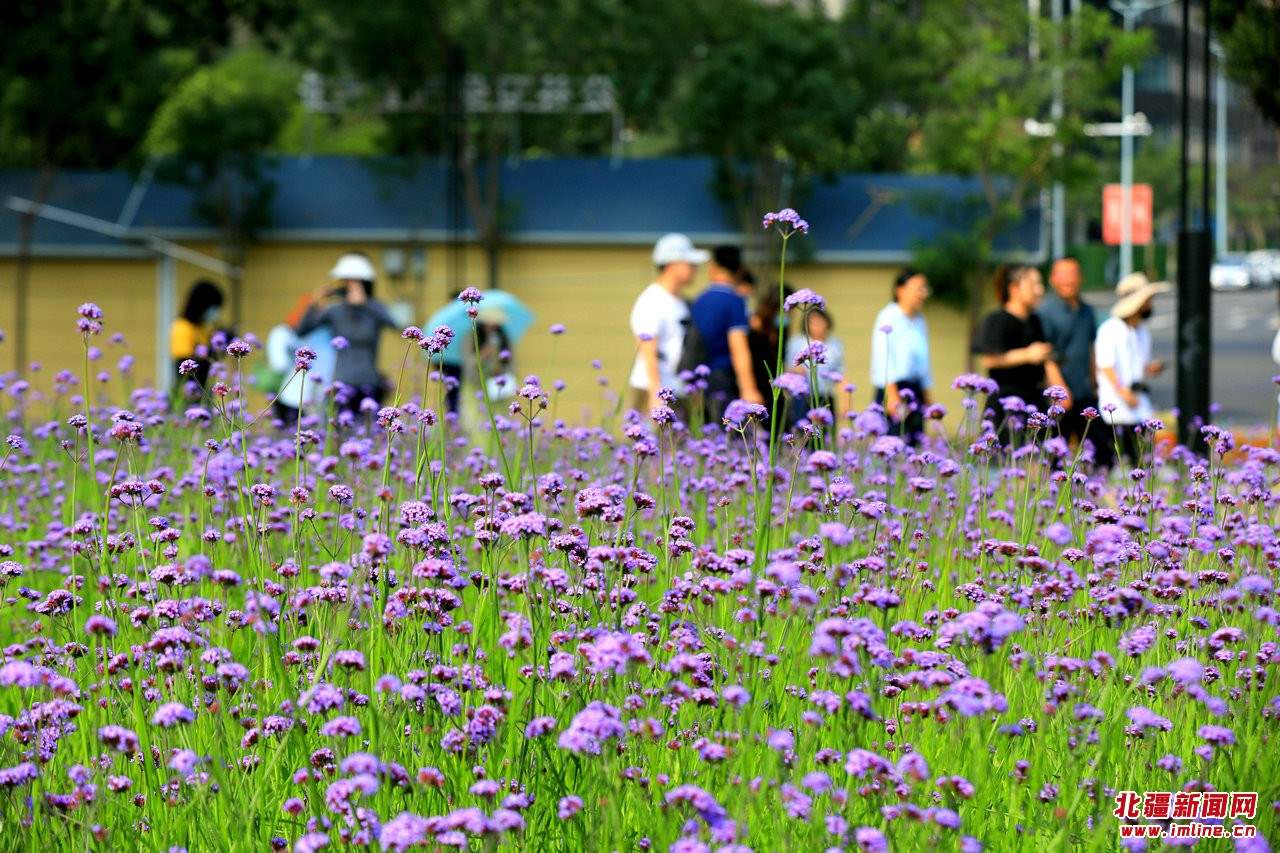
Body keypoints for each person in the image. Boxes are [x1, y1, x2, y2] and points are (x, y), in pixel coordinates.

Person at [974, 264, 1072, 440]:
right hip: (1005, 405)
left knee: (1038, 453)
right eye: (1034, 284)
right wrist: (1027, 355)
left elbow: (1045, 357)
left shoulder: (1035, 320)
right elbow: (989, 359)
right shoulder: (996, 320)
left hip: (1034, 401)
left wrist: (1060, 389)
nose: (1040, 290)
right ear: (1014, 288)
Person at [295, 252, 398, 413]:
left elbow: (396, 324)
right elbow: (301, 331)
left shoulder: (375, 308)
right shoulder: (335, 310)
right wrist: (314, 302)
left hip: (369, 383)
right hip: (341, 382)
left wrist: (365, 304)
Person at [1095, 272, 1168, 467]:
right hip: (1116, 408)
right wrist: (1123, 391)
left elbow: (1137, 365)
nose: (1150, 304)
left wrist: (1150, 369)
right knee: (1116, 461)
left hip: (1140, 406)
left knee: (1142, 462)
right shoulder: (1110, 329)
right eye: (1147, 300)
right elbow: (1105, 365)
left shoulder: (1141, 331)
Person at [628, 233, 707, 413]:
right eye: (690, 264)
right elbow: (647, 347)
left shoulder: (681, 302)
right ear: (672, 265)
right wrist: (655, 392)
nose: (695, 269)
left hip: (677, 388)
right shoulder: (652, 300)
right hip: (652, 389)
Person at [687, 246, 764, 420]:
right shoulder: (734, 301)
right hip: (723, 378)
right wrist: (749, 388)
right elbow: (738, 346)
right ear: (740, 270)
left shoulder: (700, 299)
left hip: (697, 378)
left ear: (713, 267)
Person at [1038, 257, 1099, 449]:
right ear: (1052, 279)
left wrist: (1095, 384)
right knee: (1055, 453)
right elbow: (1045, 354)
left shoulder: (1087, 310)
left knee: (1091, 451)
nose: (1068, 280)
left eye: (1072, 274)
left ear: (1080, 278)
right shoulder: (1045, 311)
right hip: (1058, 396)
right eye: (1062, 275)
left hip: (1084, 392)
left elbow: (1090, 347)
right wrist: (1059, 391)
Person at [870, 268, 933, 444]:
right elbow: (883, 356)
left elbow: (924, 362)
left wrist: (927, 397)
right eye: (919, 288)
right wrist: (892, 395)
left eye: (925, 288)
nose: (924, 293)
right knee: (892, 444)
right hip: (892, 388)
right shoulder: (888, 316)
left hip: (915, 389)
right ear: (900, 290)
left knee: (914, 445)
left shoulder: (920, 321)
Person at [265, 293, 337, 425]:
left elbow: (279, 365)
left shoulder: (287, 333)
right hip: (302, 397)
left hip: (298, 396)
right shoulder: (286, 333)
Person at [785, 307, 844, 423]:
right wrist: (796, 371)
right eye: (812, 322)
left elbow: (840, 373)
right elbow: (788, 368)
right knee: (803, 429)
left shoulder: (835, 343)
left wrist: (845, 400)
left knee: (825, 430)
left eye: (820, 321)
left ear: (827, 322)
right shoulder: (796, 342)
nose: (817, 325)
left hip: (825, 395)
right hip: (802, 396)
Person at [170, 279, 225, 391]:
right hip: (189, 390)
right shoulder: (182, 327)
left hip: (205, 388)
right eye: (214, 307)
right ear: (202, 305)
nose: (215, 313)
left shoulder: (204, 328)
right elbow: (183, 363)